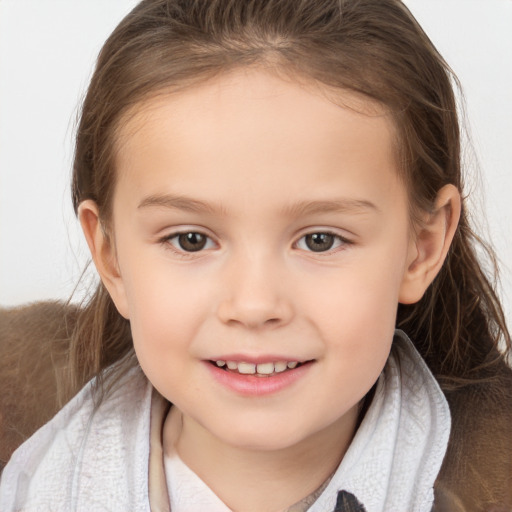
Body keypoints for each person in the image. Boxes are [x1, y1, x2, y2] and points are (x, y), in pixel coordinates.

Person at [0, 0, 511, 510]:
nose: (253, 304)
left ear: (420, 249)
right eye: (191, 240)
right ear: (110, 257)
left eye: (320, 240)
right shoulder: (27, 475)